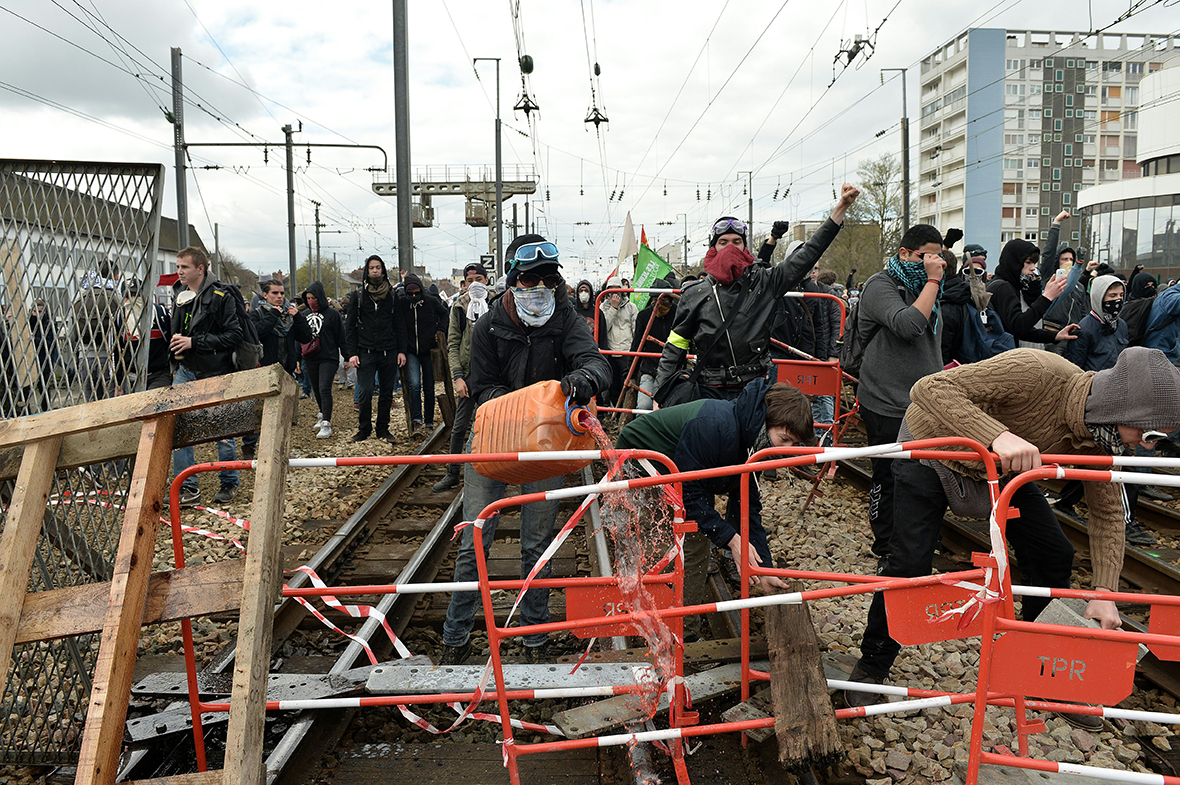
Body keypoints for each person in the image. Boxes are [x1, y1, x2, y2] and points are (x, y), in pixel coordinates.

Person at [846, 347, 1180, 709]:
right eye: (1150, 435)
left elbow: (1108, 515)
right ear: (1122, 409)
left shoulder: (1098, 440)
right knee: (909, 562)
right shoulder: (1035, 371)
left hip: (1000, 471)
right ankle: (872, 665)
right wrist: (998, 435)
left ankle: (1039, 666)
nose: (1148, 447)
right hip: (935, 449)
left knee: (1053, 553)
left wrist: (1104, 592)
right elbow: (931, 388)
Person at [440, 234, 612, 665]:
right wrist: (526, 406)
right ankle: (455, 637)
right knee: (474, 541)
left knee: (538, 546)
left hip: (544, 447)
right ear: (513, 281)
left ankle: (534, 638)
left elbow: (596, 362)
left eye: (547, 282)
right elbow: (483, 387)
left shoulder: (566, 320)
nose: (539, 290)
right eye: (529, 280)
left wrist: (583, 380)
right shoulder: (486, 326)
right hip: (493, 444)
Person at [615, 378, 815, 639]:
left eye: (793, 444)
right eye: (784, 439)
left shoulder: (750, 438)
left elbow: (747, 507)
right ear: (766, 422)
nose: (786, 450)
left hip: (680, 469)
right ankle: (665, 631)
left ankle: (675, 627)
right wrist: (731, 539)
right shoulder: (719, 428)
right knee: (676, 543)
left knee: (697, 540)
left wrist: (764, 569)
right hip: (642, 459)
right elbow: (688, 493)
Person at [653, 184, 859, 402]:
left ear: (745, 247)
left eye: (736, 242)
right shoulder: (695, 292)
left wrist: (840, 208)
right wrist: (661, 392)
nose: (730, 248)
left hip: (753, 387)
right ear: (713, 248)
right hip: (708, 388)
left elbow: (808, 254)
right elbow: (675, 345)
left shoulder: (765, 282)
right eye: (723, 242)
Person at [855, 224, 949, 572]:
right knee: (888, 475)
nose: (934, 262)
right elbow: (908, 324)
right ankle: (886, 549)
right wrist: (933, 282)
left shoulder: (928, 286)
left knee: (927, 474)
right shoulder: (881, 285)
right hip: (885, 398)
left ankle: (919, 541)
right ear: (905, 254)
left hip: (926, 401)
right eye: (927, 255)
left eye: (938, 256)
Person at [169, 246, 244, 506]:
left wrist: (194, 342)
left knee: (221, 428)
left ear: (200, 268)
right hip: (186, 369)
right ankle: (188, 488)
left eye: (184, 267)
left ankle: (229, 482)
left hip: (216, 370)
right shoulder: (179, 292)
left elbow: (234, 335)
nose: (178, 271)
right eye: (178, 266)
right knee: (179, 428)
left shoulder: (223, 295)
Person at [434, 261, 492, 492]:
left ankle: (495, 472)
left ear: (486, 281)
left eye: (479, 280)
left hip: (491, 376)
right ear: (464, 284)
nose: (474, 284)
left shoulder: (497, 304)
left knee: (495, 425)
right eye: (470, 281)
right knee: (459, 427)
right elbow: (453, 343)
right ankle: (452, 472)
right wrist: (457, 377)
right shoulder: (458, 307)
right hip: (468, 376)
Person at [243, 278, 310, 459]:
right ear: (265, 295)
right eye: (275, 293)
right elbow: (256, 334)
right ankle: (249, 446)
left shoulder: (289, 317)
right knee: (257, 411)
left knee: (282, 413)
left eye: (282, 293)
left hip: (285, 371)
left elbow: (306, 337)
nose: (279, 297)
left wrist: (298, 317)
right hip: (263, 370)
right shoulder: (256, 314)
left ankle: (277, 450)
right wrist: (272, 315)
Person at [986, 234, 1078, 349]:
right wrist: (1046, 297)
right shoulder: (1003, 287)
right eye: (1028, 262)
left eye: (1034, 263)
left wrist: (1055, 336)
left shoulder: (1007, 285)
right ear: (1014, 262)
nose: (1033, 267)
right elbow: (1018, 325)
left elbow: (1020, 330)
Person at [346, 255, 400, 443]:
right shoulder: (359, 296)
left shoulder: (393, 296)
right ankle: (364, 429)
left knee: (386, 392)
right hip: (365, 351)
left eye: (378, 267)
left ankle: (383, 429)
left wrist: (400, 350)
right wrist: (352, 353)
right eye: (371, 268)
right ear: (367, 271)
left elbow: (399, 324)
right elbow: (350, 326)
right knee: (366, 391)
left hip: (389, 350)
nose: (375, 271)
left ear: (383, 270)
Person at [396, 273, 449, 433]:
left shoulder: (431, 302)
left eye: (416, 293)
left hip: (428, 349)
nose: (413, 296)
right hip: (411, 350)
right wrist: (401, 350)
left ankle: (429, 421)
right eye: (410, 293)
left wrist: (440, 331)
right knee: (414, 385)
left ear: (421, 290)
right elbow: (400, 326)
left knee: (429, 386)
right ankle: (417, 419)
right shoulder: (403, 303)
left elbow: (445, 313)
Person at [298, 281, 345, 439]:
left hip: (329, 356)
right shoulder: (305, 315)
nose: (311, 301)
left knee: (325, 387)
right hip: (310, 357)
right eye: (308, 298)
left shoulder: (333, 315)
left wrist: (346, 356)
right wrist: (298, 359)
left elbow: (341, 337)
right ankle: (322, 413)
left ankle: (326, 422)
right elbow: (300, 338)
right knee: (316, 389)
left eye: (314, 297)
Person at [72, 261, 122, 401]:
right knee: (110, 401)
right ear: (116, 276)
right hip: (108, 356)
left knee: (91, 400)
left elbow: (73, 331)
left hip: (85, 356)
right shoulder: (114, 296)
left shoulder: (81, 297)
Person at [630, 279, 678, 411]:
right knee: (644, 407)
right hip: (650, 369)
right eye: (654, 299)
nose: (657, 304)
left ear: (670, 300)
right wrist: (630, 374)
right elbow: (636, 346)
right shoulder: (644, 316)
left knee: (671, 407)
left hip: (674, 371)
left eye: (662, 300)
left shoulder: (679, 314)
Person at [601, 278, 639, 405]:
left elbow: (636, 330)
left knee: (627, 384)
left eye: (616, 290)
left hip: (627, 351)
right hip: (611, 351)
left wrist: (635, 351)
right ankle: (613, 412)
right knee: (613, 386)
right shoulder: (602, 307)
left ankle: (626, 411)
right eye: (611, 291)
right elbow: (603, 327)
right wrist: (613, 308)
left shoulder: (631, 307)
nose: (614, 294)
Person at [30, 299, 57, 412]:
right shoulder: (28, 322)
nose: (37, 315)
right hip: (30, 359)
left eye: (40, 312)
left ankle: (45, 409)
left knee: (44, 386)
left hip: (44, 359)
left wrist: (34, 339)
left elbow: (49, 343)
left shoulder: (49, 323)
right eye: (35, 312)